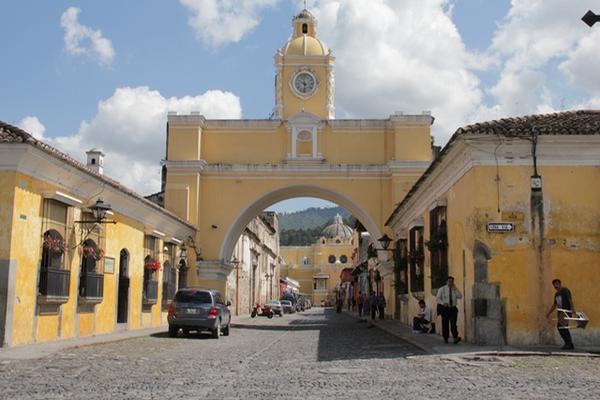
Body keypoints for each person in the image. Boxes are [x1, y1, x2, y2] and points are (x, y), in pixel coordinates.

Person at [546, 278, 575, 350]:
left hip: (566, 312)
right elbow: (554, 305)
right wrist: (549, 313)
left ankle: (569, 344)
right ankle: (568, 344)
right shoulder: (556, 294)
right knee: (562, 328)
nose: (555, 286)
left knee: (562, 327)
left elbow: (570, 300)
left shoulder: (565, 291)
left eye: (557, 284)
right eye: (554, 285)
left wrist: (573, 310)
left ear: (560, 284)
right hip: (560, 313)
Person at [436, 276, 463, 344]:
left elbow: (460, 296)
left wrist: (455, 289)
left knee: (453, 324)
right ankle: (446, 338)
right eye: (449, 281)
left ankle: (455, 337)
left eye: (452, 281)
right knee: (445, 324)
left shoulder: (454, 289)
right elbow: (438, 298)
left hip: (453, 308)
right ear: (446, 282)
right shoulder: (442, 289)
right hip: (445, 309)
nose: (450, 283)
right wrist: (443, 303)